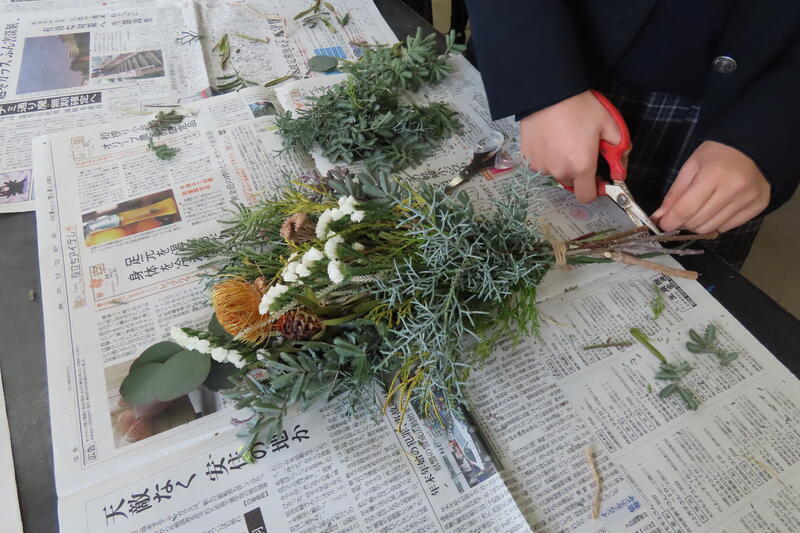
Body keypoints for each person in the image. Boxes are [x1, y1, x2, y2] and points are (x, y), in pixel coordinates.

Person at [464, 0, 800, 268]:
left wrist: (769, 136)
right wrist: (540, 79)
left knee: (692, 270)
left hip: (748, 112)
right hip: (541, 62)